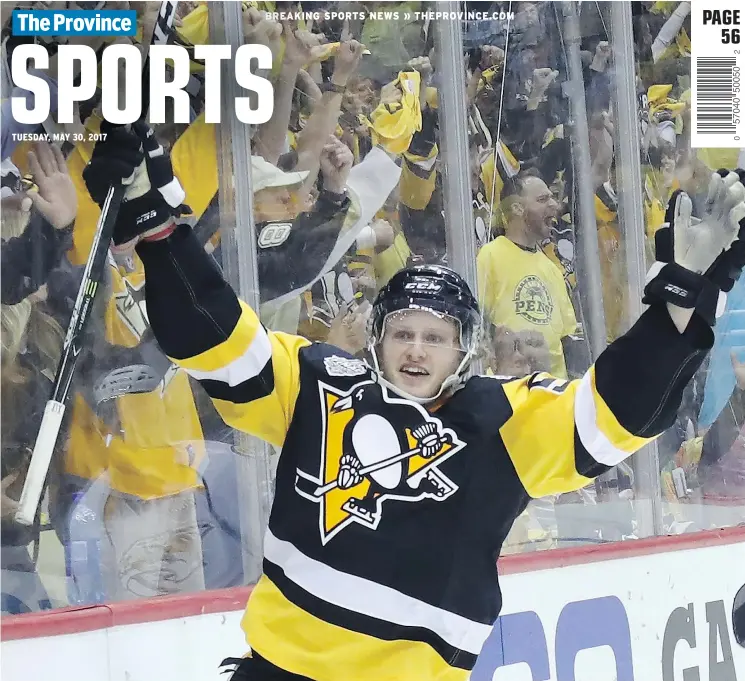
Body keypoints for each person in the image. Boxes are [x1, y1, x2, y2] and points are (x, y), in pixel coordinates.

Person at [81, 125, 745, 681]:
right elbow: (216, 336)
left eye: (435, 336)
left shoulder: (503, 419)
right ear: (378, 337)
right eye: (402, 331)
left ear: (464, 348)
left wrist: (676, 309)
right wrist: (162, 233)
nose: (415, 350)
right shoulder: (321, 382)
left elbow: (617, 414)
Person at [477, 168, 578, 377]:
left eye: (552, 198)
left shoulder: (551, 268)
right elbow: (478, 324)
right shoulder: (490, 256)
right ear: (517, 208)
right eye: (543, 199)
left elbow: (566, 337)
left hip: (553, 393)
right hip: (511, 389)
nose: (554, 205)